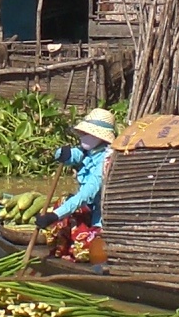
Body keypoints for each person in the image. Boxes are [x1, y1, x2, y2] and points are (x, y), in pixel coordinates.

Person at [36, 107, 119, 261]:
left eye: (86, 134)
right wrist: (62, 153)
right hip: (88, 212)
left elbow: (85, 195)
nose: (82, 136)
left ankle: (75, 252)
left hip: (100, 221)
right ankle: (62, 249)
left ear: (99, 137)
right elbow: (75, 155)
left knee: (86, 249)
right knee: (62, 202)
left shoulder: (105, 161)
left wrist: (55, 216)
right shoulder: (89, 150)